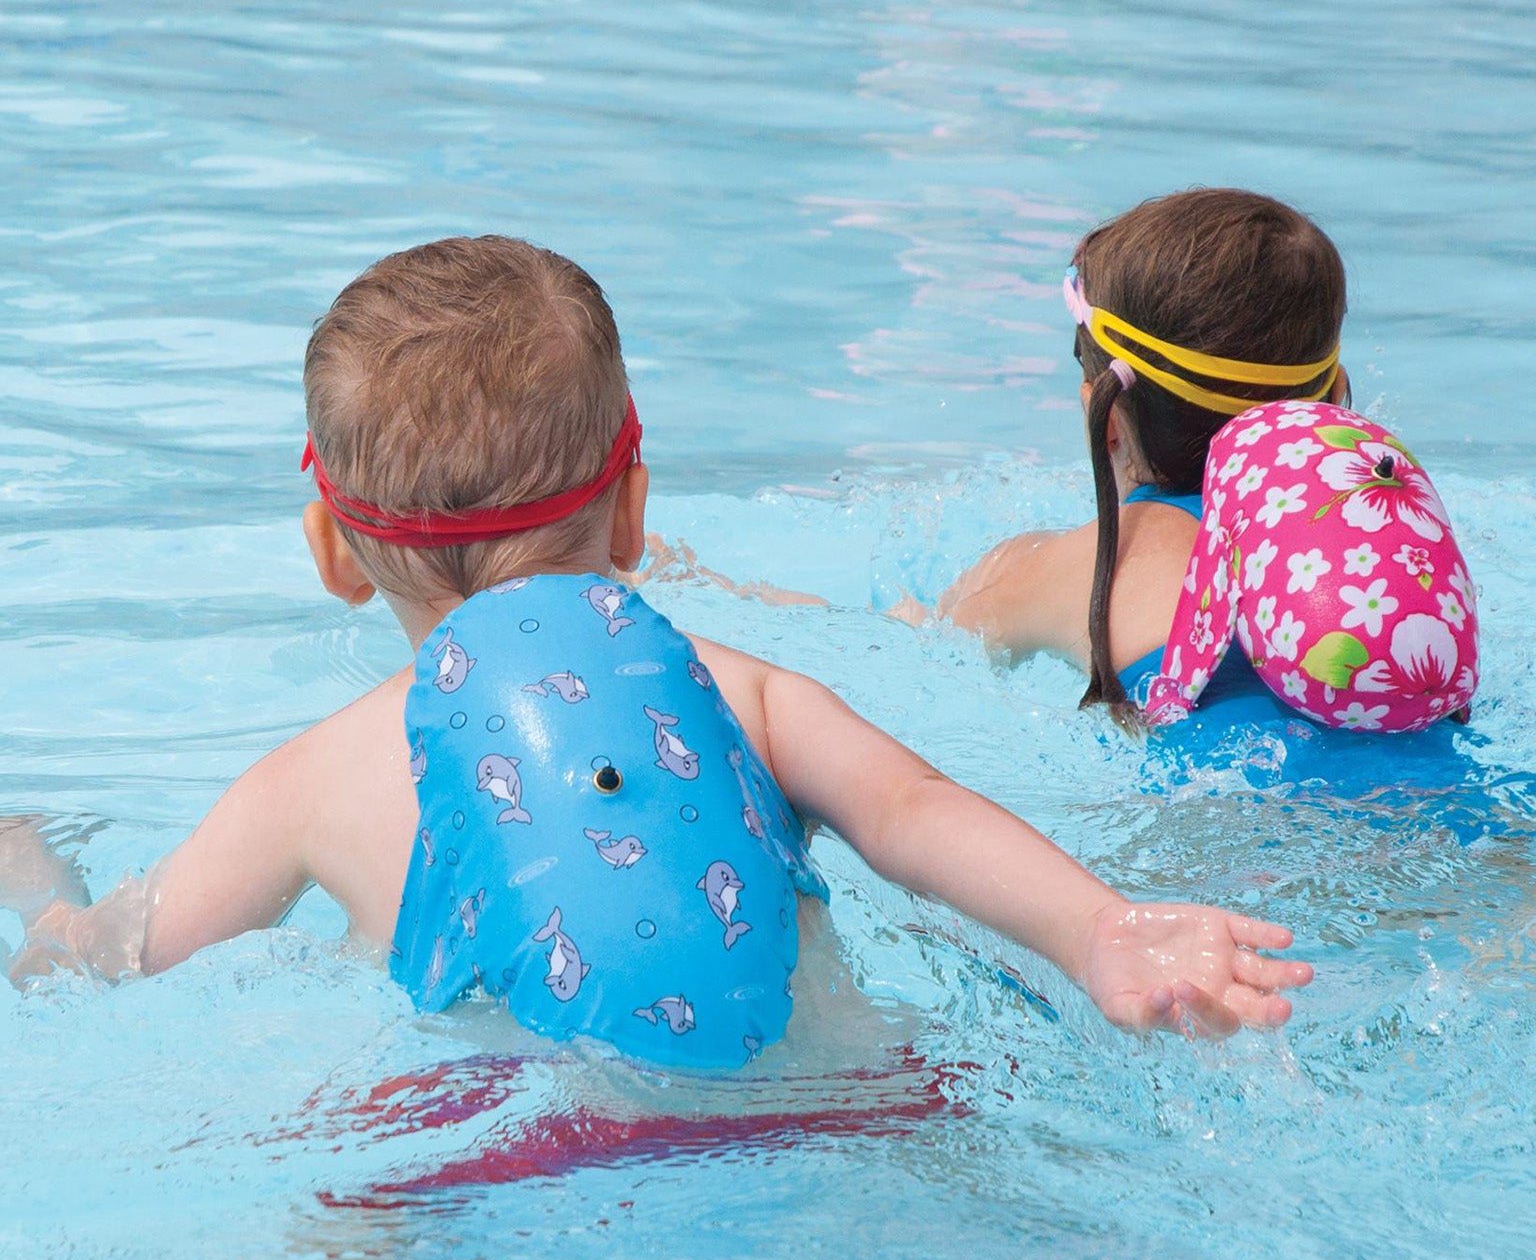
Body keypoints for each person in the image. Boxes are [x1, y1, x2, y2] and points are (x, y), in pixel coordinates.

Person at [12, 235, 1311, 1055]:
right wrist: (1100, 932)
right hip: (832, 1109)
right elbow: (913, 813)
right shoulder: (745, 694)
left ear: (331, 552)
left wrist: (39, 893)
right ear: (635, 507)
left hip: (484, 1155)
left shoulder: (307, 782)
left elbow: (130, 961)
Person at [939, 188, 1479, 778]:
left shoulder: (1077, 563)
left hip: (1228, 837)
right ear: (1333, 390)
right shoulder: (1398, 552)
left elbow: (916, 648)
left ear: (1109, 422)